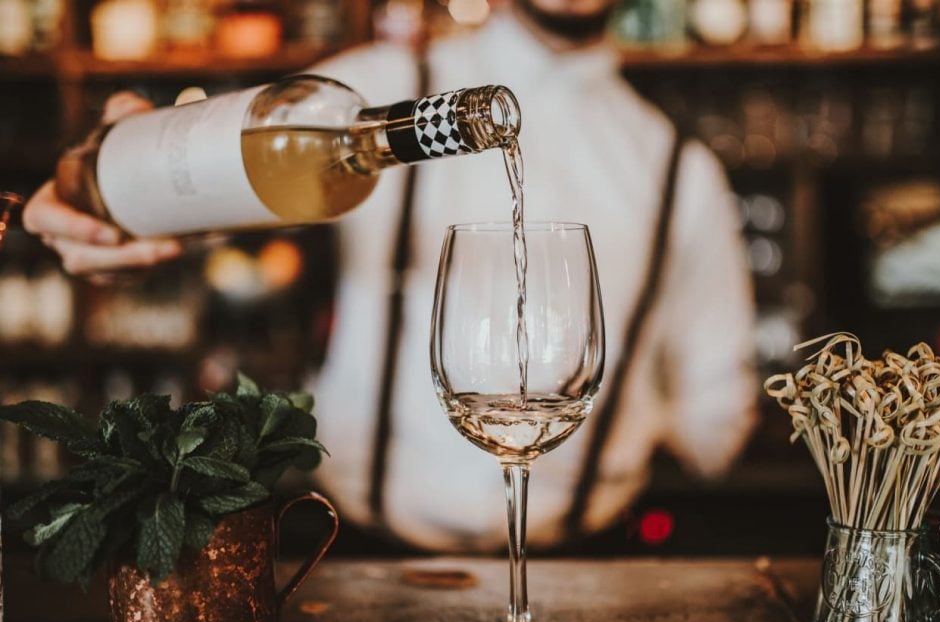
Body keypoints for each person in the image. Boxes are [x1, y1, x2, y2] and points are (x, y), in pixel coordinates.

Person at [22, 0, 757, 552]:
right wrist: (116, 196)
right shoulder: (370, 93)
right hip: (352, 559)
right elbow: (219, 191)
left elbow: (717, 418)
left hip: (586, 584)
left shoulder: (683, 171)